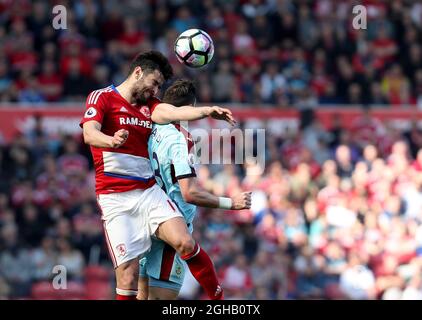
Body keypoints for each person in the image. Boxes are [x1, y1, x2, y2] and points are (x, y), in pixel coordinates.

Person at [80, 51, 235, 300]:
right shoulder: (103, 97)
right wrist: (111, 141)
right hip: (115, 198)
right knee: (127, 276)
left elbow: (174, 113)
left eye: (160, 86)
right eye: (155, 83)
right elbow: (89, 133)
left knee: (184, 241)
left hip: (148, 192)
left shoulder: (150, 107)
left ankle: (218, 298)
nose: (156, 90)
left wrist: (207, 111)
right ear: (138, 72)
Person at [137, 79, 252, 300]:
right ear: (189, 109)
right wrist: (231, 203)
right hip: (172, 228)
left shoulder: (152, 126)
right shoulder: (181, 140)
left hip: (145, 221)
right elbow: (189, 193)